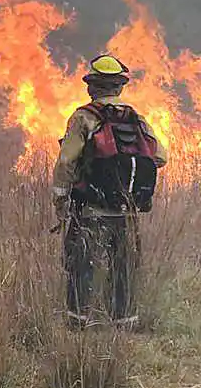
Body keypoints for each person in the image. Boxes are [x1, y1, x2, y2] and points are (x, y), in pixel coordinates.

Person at [52, 54, 168, 328]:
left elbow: (66, 163)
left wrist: (60, 200)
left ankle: (77, 323)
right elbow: (160, 157)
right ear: (119, 87)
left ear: (92, 86)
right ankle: (123, 323)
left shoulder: (84, 117)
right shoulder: (136, 119)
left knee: (81, 263)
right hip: (126, 211)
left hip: (90, 207)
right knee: (123, 267)